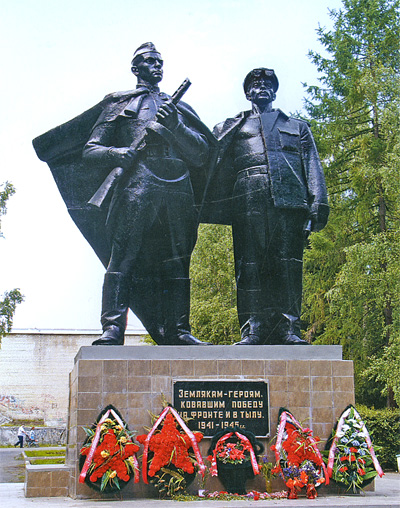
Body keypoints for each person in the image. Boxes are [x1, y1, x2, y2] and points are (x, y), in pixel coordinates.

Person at [81, 42, 215, 346]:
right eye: (150, 61)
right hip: (137, 183)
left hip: (178, 185)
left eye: (160, 61)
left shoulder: (177, 106)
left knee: (179, 261)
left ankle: (179, 330)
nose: (157, 66)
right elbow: (90, 149)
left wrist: (176, 125)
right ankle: (112, 328)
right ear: (135, 68)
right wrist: (117, 153)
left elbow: (202, 153)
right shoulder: (118, 102)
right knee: (123, 256)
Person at [205, 68, 329, 345]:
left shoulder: (297, 127)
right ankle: (253, 328)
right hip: (247, 198)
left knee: (287, 265)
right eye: (256, 84)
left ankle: (289, 328)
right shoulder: (233, 127)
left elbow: (312, 167)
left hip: (289, 201)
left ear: (274, 91)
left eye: (267, 83)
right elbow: (205, 155)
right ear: (247, 93)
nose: (262, 87)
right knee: (249, 264)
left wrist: (316, 208)